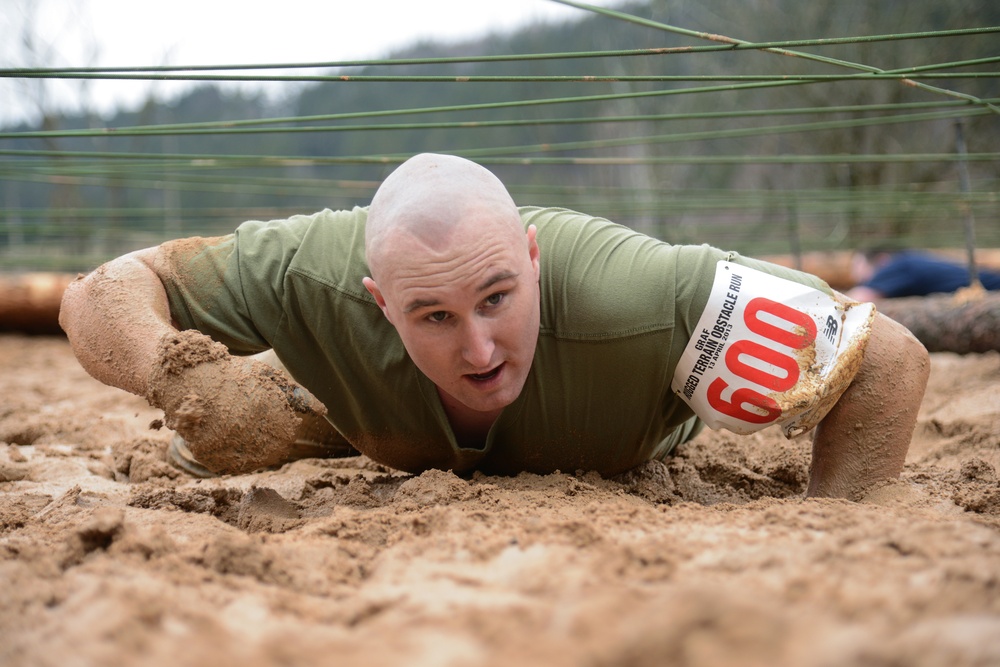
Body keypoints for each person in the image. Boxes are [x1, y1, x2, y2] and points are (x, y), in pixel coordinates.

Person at [59, 153, 930, 500]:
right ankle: (291, 397)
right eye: (434, 315)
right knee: (237, 431)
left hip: (623, 428)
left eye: (499, 299)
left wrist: (834, 529)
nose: (479, 348)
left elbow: (886, 358)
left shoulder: (639, 296)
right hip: (370, 420)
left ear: (535, 260)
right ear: (377, 300)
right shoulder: (307, 271)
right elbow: (101, 291)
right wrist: (179, 376)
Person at [847, 248, 1000, 302]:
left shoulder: (897, 265)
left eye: (857, 265)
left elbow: (857, 298)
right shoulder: (907, 261)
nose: (854, 274)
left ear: (882, 259)